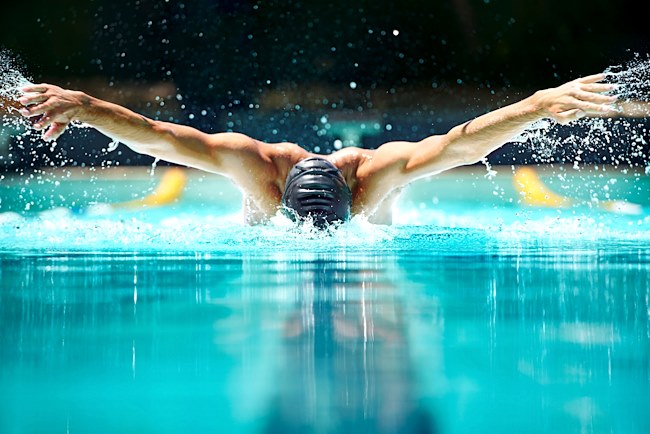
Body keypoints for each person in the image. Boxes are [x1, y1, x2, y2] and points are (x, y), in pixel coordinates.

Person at [17, 74, 619, 226]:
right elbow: (162, 135)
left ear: (354, 197)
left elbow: (458, 144)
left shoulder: (378, 173)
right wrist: (87, 106)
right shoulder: (254, 165)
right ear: (278, 195)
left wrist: (537, 105)